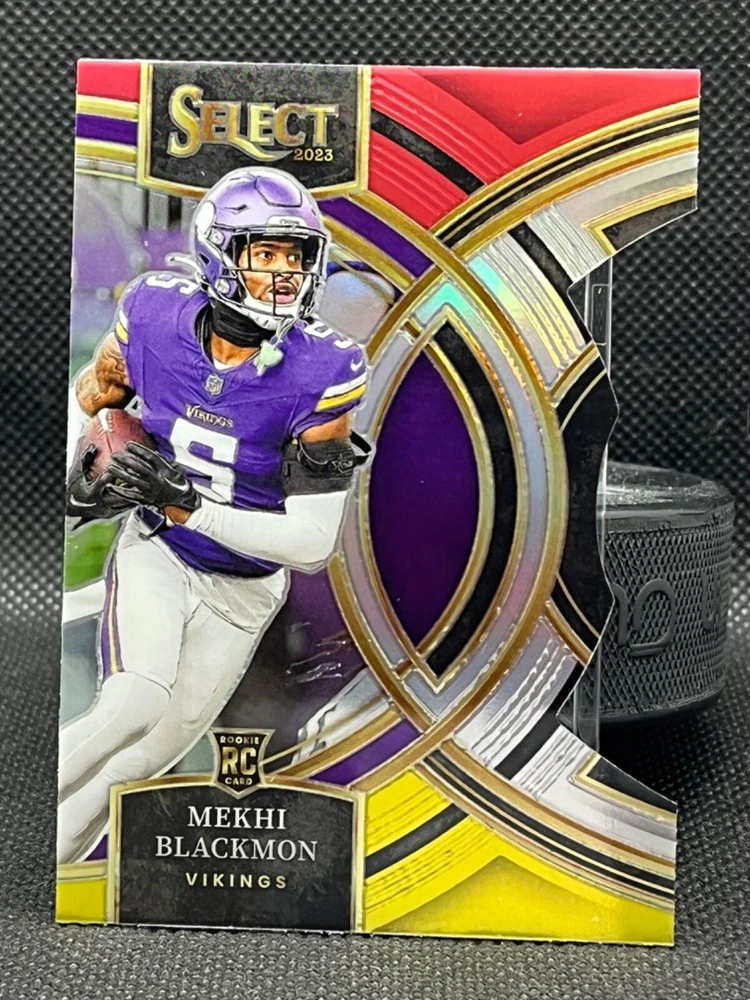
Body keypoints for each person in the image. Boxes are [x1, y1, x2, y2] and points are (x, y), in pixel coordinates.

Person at [58, 166, 368, 865]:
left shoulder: (324, 369)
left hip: (246, 589)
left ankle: (42, 871)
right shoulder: (153, 314)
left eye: (297, 256)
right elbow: (92, 398)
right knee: (133, 702)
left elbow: (312, 542)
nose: (285, 273)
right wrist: (80, 470)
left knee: (137, 764)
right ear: (218, 252)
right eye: (266, 253)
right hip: (160, 552)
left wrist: (188, 506)